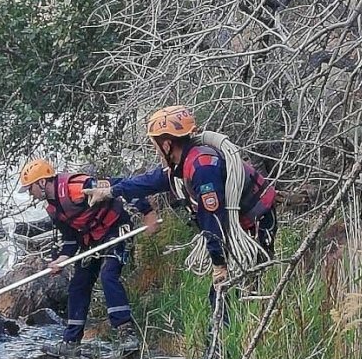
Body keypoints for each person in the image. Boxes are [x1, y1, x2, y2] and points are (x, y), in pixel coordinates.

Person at [86, 105, 277, 301]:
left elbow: (213, 218)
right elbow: (148, 182)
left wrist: (219, 263)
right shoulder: (182, 164)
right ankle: (227, 328)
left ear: (167, 144)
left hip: (257, 221)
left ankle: (242, 326)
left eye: (155, 144)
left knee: (245, 286)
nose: (156, 150)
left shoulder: (202, 168)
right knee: (226, 292)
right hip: (237, 222)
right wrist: (109, 191)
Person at [18, 158, 158, 359]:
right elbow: (70, 239)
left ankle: (126, 333)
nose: (30, 194)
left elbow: (121, 185)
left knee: (108, 275)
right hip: (91, 240)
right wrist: (62, 259)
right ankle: (71, 343)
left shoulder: (77, 187)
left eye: (30, 188)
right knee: (78, 284)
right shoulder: (52, 208)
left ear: (42, 182)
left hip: (116, 229)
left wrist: (148, 212)